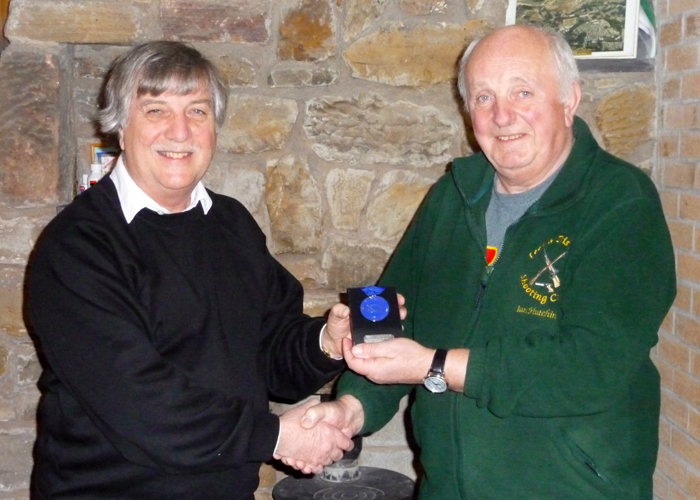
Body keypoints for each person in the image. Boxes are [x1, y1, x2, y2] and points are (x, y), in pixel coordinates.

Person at [299, 24, 676, 499]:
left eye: (523, 91)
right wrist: (350, 408)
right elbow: (390, 321)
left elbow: (592, 366)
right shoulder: (452, 197)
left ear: (569, 99)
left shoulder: (619, 202)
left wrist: (434, 366)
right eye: (483, 97)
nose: (502, 115)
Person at [27, 41, 357, 500]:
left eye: (197, 111)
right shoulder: (79, 246)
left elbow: (269, 353)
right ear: (120, 126)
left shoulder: (232, 224)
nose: (179, 131)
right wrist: (278, 436)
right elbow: (141, 405)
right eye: (157, 109)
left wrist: (326, 342)